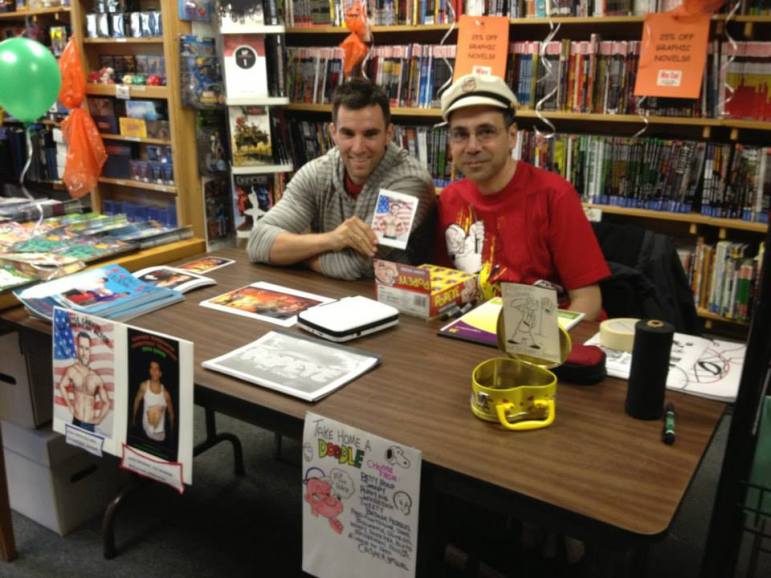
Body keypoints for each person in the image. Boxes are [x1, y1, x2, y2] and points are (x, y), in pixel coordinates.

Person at [436, 73, 610, 320]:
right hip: (477, 336)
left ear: (512, 136)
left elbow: (588, 301)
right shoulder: (450, 199)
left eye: (486, 132)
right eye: (460, 134)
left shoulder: (555, 195)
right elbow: (445, 287)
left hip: (548, 338)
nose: (472, 146)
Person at [247, 78, 436, 280]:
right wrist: (332, 239)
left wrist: (297, 255)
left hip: (394, 304)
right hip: (329, 296)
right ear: (333, 133)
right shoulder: (317, 173)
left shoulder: (410, 182)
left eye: (370, 134)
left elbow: (358, 267)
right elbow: (258, 242)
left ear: (389, 134)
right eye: (348, 134)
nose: (358, 147)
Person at [58, 331, 110, 432]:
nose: (83, 352)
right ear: (77, 348)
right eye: (81, 347)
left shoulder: (95, 377)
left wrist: (99, 419)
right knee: (73, 447)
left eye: (86, 349)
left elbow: (106, 402)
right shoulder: (72, 370)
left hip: (89, 424)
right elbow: (62, 386)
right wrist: (69, 404)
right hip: (76, 420)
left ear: (90, 351)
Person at [132, 360, 175, 443]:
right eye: (152, 368)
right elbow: (136, 401)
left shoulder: (166, 394)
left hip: (160, 436)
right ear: (149, 371)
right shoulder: (144, 386)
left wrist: (172, 433)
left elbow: (171, 414)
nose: (154, 371)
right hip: (145, 431)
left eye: (157, 369)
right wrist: (133, 418)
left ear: (160, 373)